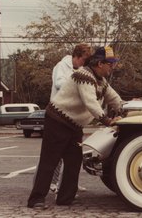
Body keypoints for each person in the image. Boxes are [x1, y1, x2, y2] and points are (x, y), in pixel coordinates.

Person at [27, 46, 123, 209]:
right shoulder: (83, 76)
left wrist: (125, 108)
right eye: (110, 63)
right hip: (57, 121)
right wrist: (108, 121)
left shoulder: (101, 81)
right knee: (50, 161)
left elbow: (113, 97)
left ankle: (65, 198)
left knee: (73, 161)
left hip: (73, 125)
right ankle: (36, 199)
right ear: (100, 63)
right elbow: (91, 103)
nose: (112, 66)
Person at [48, 43, 93, 193]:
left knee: (74, 155)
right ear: (77, 56)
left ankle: (70, 184)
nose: (83, 64)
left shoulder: (79, 69)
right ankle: (51, 183)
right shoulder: (61, 66)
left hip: (74, 117)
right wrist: (75, 82)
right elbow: (59, 83)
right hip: (59, 115)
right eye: (83, 60)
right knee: (55, 154)